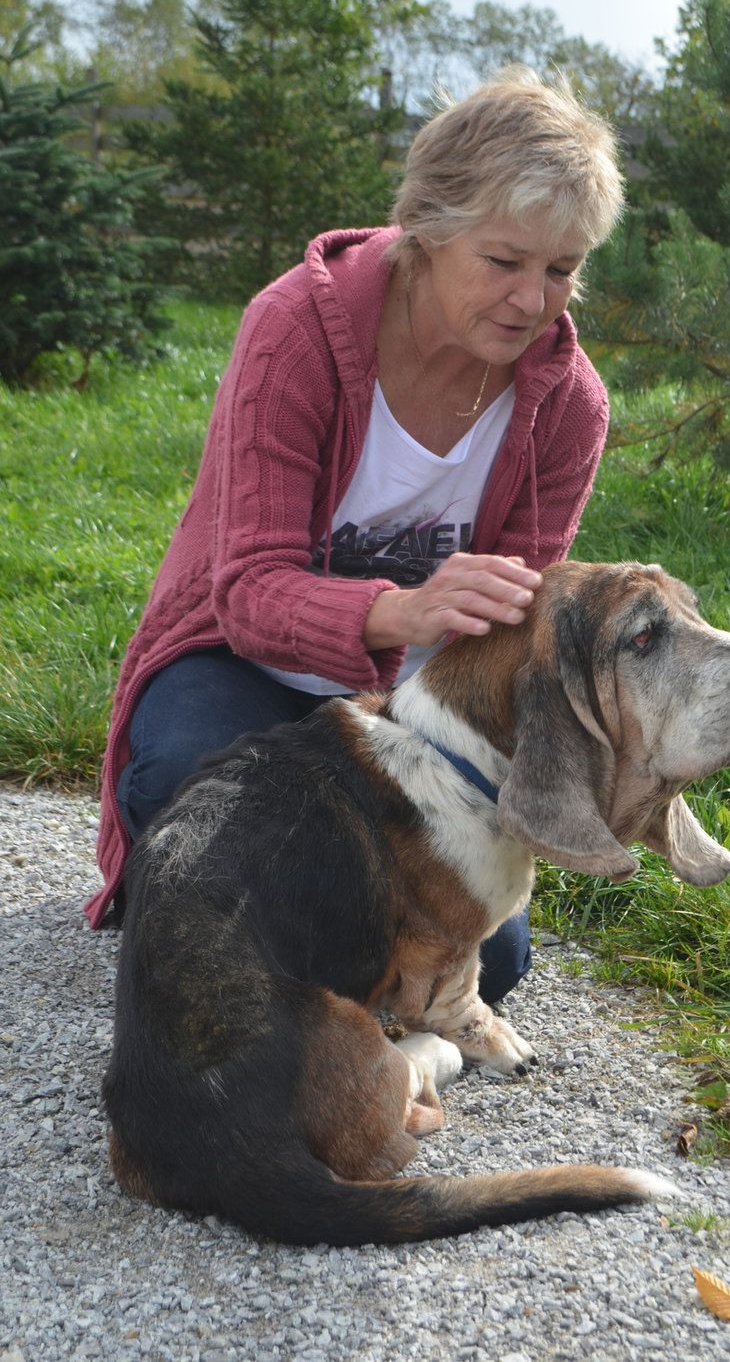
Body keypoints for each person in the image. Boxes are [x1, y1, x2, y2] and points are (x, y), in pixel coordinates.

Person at [88, 65, 625, 1004]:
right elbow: (247, 589)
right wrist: (405, 608)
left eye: (562, 268)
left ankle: (283, 947)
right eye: (504, 261)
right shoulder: (295, 328)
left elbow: (516, 635)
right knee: (184, 786)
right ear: (428, 226)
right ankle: (228, 932)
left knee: (488, 962)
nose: (533, 300)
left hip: (413, 711)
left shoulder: (569, 404)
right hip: (237, 660)